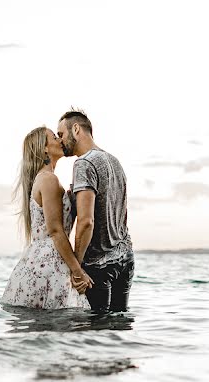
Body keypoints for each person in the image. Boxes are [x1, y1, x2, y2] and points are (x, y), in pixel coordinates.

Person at [1, 126, 92, 309]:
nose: (60, 140)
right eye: (54, 137)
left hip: (43, 259)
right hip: (50, 262)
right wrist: (77, 271)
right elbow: (56, 231)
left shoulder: (45, 179)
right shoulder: (48, 180)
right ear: (44, 148)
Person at [57, 109, 134, 313]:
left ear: (76, 129)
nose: (59, 141)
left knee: (93, 336)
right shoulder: (114, 161)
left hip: (99, 265)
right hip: (125, 260)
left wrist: (77, 267)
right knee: (117, 332)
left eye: (61, 134)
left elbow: (86, 221)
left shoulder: (84, 163)